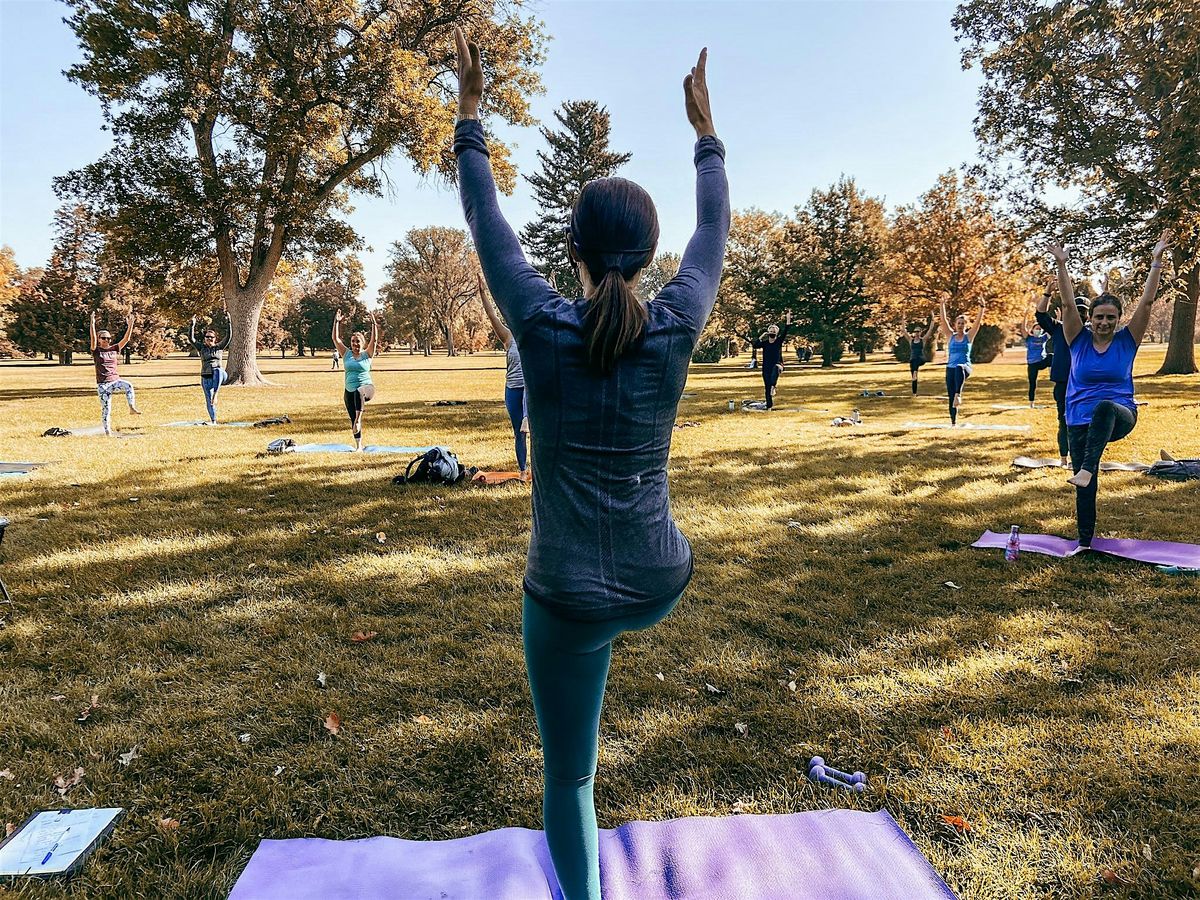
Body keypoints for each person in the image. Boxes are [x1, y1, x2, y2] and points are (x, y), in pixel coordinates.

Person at [454, 28, 728, 900]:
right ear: (646, 256)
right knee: (602, 629)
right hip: (659, 581)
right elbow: (713, 228)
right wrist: (706, 136)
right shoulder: (676, 324)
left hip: (568, 596)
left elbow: (486, 220)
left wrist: (469, 115)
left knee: (571, 775)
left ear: (570, 248)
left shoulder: (540, 325)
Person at [1050, 230, 1171, 548]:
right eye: (1099, 317)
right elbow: (1067, 303)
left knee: (1104, 407)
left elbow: (1147, 302)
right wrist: (1061, 265)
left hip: (1119, 415)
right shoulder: (1077, 339)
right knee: (1084, 487)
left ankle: (1088, 468)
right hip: (1078, 420)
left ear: (1118, 319)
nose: (1104, 322)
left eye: (1111, 318)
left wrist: (1156, 261)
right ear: (1090, 318)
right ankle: (1084, 542)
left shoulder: (1127, 340)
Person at [477, 272, 530, 480]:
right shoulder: (508, 337)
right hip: (512, 389)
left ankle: (540, 469)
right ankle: (523, 470)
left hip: (530, 389)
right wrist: (483, 294)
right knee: (519, 432)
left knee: (532, 430)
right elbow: (492, 316)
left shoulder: (535, 334)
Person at [1036, 280, 1090, 466]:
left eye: (1083, 312)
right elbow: (1040, 315)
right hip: (1063, 384)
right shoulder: (1058, 328)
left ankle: (1081, 458)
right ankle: (1063, 458)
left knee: (1085, 422)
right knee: (1064, 420)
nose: (1079, 314)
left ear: (1088, 315)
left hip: (1085, 385)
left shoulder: (1091, 332)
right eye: (1077, 310)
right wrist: (1047, 293)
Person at [332, 308, 379, 451]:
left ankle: (358, 420)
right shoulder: (346, 353)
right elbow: (335, 339)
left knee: (359, 392)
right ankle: (359, 446)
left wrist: (373, 324)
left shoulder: (367, 354)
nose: (355, 344)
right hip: (349, 390)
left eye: (357, 342)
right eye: (353, 342)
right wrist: (336, 322)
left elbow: (374, 340)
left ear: (362, 343)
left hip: (367, 388)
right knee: (352, 417)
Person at [90, 309, 141, 435]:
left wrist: (130, 325)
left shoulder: (114, 349)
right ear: (99, 339)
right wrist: (92, 323)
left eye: (108, 338)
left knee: (128, 385)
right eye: (103, 338)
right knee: (106, 409)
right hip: (103, 385)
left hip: (115, 381)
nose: (106, 340)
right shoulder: (96, 350)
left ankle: (131, 407)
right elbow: (93, 338)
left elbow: (126, 339)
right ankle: (108, 431)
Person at [937, 298, 986, 425]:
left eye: (963, 323)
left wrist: (982, 308)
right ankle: (953, 422)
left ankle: (958, 394)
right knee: (950, 396)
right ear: (955, 324)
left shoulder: (969, 336)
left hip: (965, 367)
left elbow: (977, 323)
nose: (960, 325)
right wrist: (942, 305)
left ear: (966, 325)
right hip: (950, 368)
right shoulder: (950, 336)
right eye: (958, 323)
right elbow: (943, 320)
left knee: (959, 367)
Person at [188, 310, 232, 424]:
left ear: (215, 338)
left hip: (220, 376)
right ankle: (213, 421)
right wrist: (192, 325)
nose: (209, 339)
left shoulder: (219, 347)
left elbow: (228, 337)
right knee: (208, 399)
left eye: (211, 337)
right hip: (207, 377)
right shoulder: (201, 348)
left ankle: (216, 394)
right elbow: (191, 339)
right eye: (207, 337)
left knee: (217, 370)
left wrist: (229, 322)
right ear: (204, 338)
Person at [751, 310, 792, 409]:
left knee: (776, 368)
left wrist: (788, 319)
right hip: (766, 367)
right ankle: (769, 405)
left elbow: (786, 330)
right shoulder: (765, 343)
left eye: (774, 332)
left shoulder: (778, 341)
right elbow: (755, 345)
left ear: (776, 333)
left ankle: (773, 386)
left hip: (778, 364)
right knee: (767, 387)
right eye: (771, 331)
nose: (772, 333)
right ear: (768, 332)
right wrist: (762, 336)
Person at [1018, 309, 1053, 407]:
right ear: (1033, 330)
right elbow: (1023, 328)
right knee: (1032, 383)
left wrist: (1058, 317)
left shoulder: (1043, 337)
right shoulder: (1029, 338)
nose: (1039, 330)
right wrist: (1025, 315)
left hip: (1041, 362)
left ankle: (1053, 374)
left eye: (1040, 329)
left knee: (1051, 356)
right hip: (1032, 364)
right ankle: (1031, 403)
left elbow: (1053, 328)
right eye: (1037, 328)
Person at [907, 314, 938, 395]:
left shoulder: (922, 340)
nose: (916, 333)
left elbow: (930, 330)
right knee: (914, 377)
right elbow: (903, 330)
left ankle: (915, 371)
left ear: (920, 332)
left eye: (918, 331)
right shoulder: (911, 340)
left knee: (915, 366)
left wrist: (933, 319)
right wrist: (902, 319)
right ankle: (914, 393)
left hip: (920, 359)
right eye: (915, 331)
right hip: (913, 360)